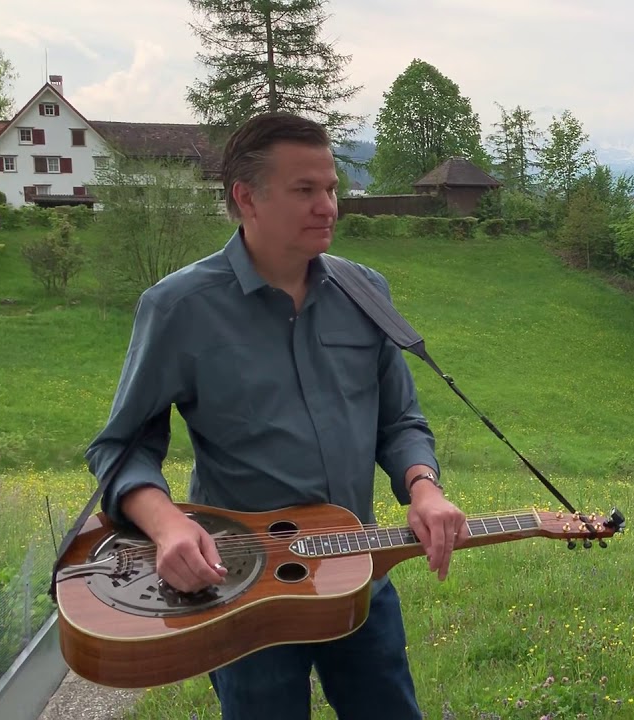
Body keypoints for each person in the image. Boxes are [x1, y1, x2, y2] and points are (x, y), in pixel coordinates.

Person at [84, 111, 468, 720]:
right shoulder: (179, 307)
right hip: (240, 587)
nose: (329, 206)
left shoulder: (366, 292)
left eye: (332, 188)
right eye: (305, 190)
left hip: (356, 573)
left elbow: (399, 422)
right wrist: (167, 526)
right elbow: (121, 446)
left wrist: (423, 487)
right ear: (247, 197)